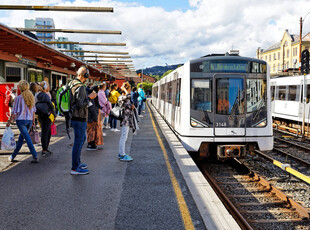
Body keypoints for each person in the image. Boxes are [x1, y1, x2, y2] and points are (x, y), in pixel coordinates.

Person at [70, 66, 97, 175]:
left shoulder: (72, 83)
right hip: (79, 117)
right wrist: (90, 98)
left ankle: (77, 162)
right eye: (86, 74)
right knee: (78, 141)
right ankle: (75, 167)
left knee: (81, 139)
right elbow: (80, 104)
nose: (87, 76)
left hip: (75, 117)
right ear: (83, 75)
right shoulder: (80, 87)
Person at [7, 80, 39, 163]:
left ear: (20, 88)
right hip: (29, 121)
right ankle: (12, 156)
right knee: (21, 139)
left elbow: (14, 112)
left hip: (21, 121)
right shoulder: (31, 97)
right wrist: (33, 121)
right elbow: (33, 111)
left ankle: (35, 156)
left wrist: (9, 122)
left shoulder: (18, 98)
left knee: (27, 139)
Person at [36, 81, 56, 157]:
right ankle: (44, 150)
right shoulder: (46, 95)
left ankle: (45, 148)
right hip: (47, 115)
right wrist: (54, 114)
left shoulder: (37, 95)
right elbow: (50, 104)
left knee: (46, 131)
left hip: (40, 115)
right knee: (46, 132)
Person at [118, 82, 135, 162]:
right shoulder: (123, 97)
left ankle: (121, 153)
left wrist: (132, 107)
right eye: (130, 88)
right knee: (123, 137)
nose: (130, 91)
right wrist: (125, 89)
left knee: (124, 137)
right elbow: (128, 95)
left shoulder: (125, 97)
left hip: (127, 119)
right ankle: (122, 154)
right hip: (125, 119)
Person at [86, 85, 104, 150]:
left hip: (90, 117)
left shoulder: (91, 96)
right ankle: (91, 144)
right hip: (91, 118)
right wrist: (95, 118)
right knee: (92, 131)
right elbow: (92, 108)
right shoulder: (92, 97)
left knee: (91, 131)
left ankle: (91, 144)